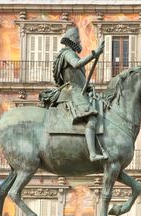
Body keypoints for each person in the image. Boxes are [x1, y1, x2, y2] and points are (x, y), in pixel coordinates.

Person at [51, 27, 108, 161]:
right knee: (92, 119)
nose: (79, 41)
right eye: (77, 38)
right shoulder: (67, 53)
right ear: (71, 39)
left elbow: (79, 76)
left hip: (79, 90)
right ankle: (92, 154)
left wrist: (88, 86)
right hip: (73, 91)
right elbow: (76, 64)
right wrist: (95, 54)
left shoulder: (71, 53)